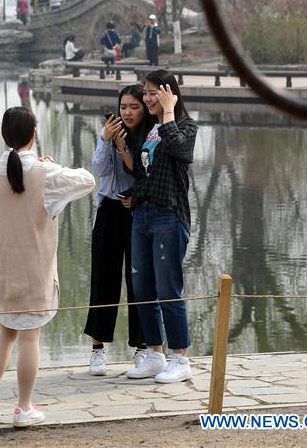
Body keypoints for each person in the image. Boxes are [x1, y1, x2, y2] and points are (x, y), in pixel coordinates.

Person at [0, 107, 94, 427]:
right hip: (34, 270)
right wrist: (51, 165)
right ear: (34, 132)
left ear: (5, 134)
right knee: (30, 338)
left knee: (5, 333)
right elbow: (87, 180)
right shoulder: (47, 175)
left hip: (1, 269)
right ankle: (23, 408)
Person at [121, 70, 198, 384]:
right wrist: (134, 196)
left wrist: (168, 111)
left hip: (169, 216)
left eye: (154, 93)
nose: (148, 98)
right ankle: (155, 354)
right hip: (143, 216)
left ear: (170, 93)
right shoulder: (148, 130)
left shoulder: (185, 126)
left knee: (168, 289)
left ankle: (180, 358)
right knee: (142, 288)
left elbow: (181, 151)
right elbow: (144, 174)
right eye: (146, 92)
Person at [84, 85, 149, 376]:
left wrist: (123, 146)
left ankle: (142, 348)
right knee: (103, 279)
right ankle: (98, 350)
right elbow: (98, 169)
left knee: (138, 282)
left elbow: (139, 171)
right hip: (110, 210)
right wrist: (104, 139)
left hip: (137, 211)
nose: (127, 112)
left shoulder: (149, 135)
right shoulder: (108, 133)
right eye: (123, 107)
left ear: (144, 108)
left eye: (134, 106)